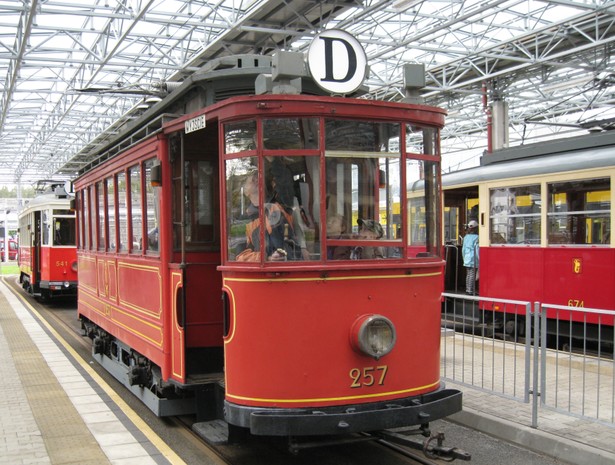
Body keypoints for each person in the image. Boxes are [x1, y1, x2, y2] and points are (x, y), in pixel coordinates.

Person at [462, 219, 479, 295]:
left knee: (468, 274)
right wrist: (480, 259)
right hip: (473, 257)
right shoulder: (477, 237)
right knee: (472, 274)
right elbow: (477, 249)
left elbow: (463, 249)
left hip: (466, 257)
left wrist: (464, 257)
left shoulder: (466, 237)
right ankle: (470, 290)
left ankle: (467, 289)